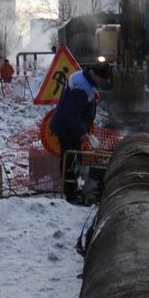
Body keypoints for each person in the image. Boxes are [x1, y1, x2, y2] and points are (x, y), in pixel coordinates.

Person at [50, 64, 111, 198]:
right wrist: (82, 133)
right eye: (102, 79)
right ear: (95, 74)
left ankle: (73, 189)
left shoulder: (81, 76)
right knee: (72, 161)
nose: (102, 82)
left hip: (69, 128)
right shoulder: (82, 88)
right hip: (68, 130)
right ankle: (70, 193)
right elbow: (71, 114)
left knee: (73, 159)